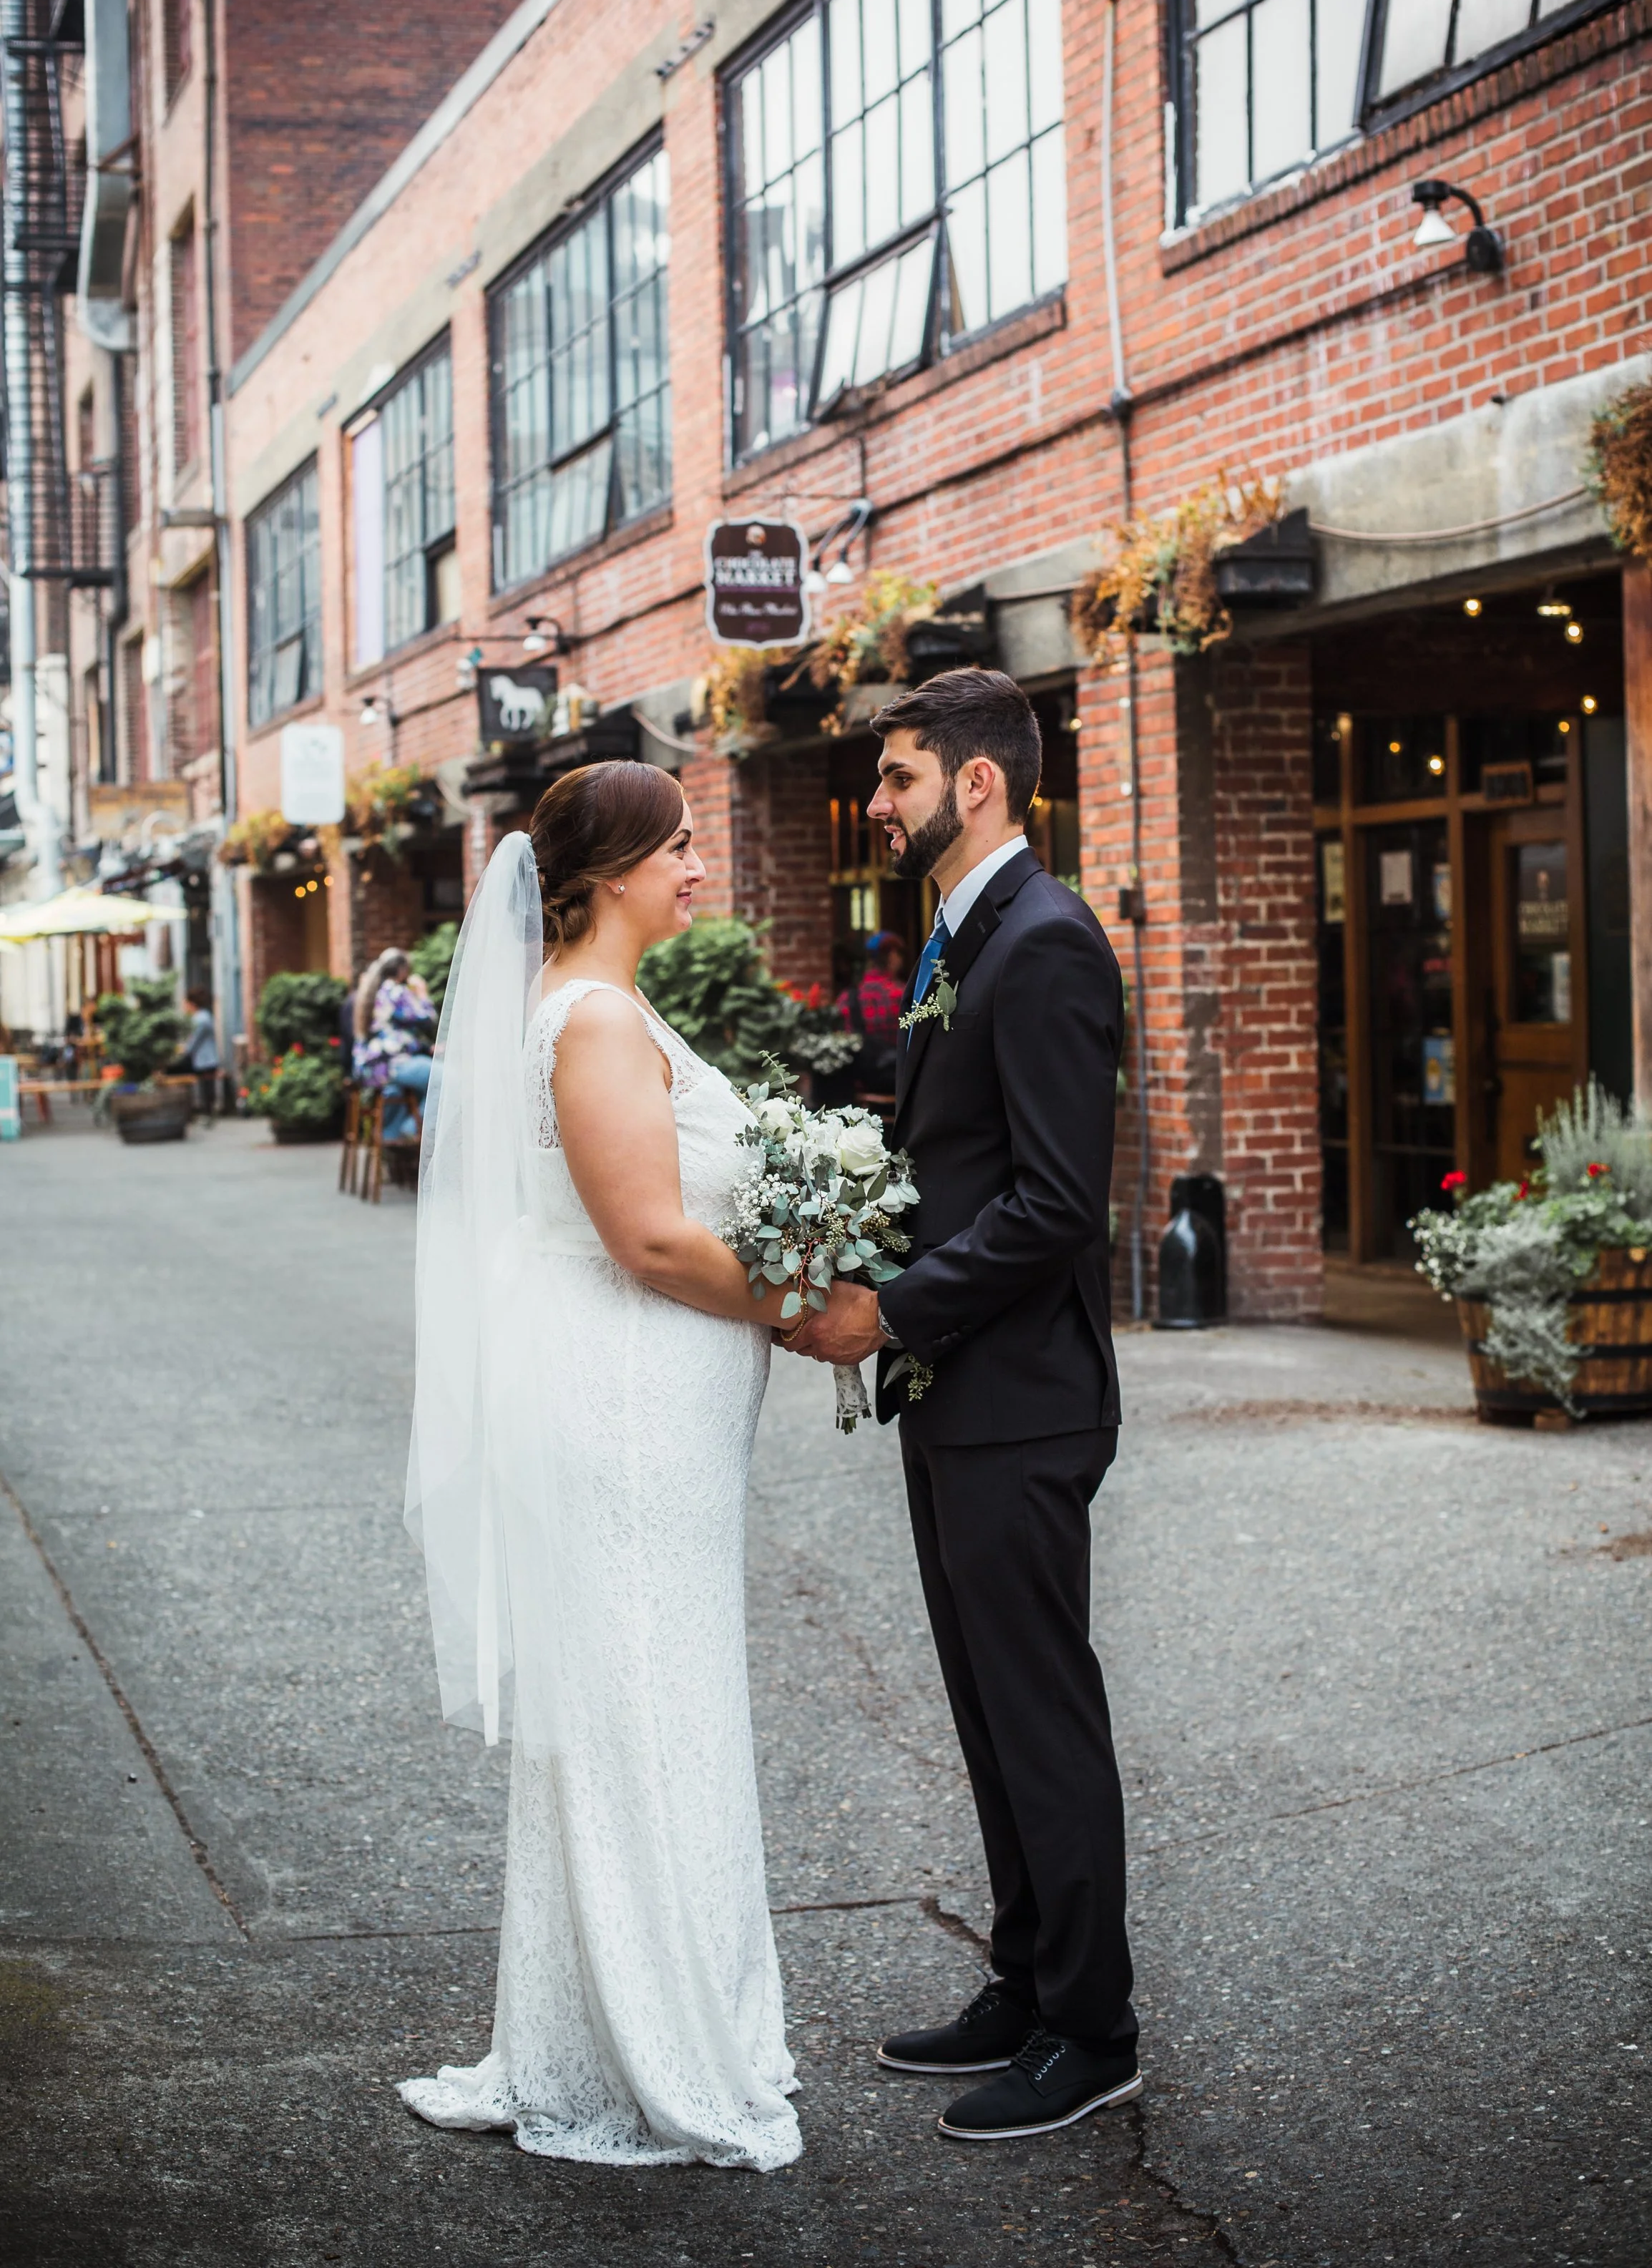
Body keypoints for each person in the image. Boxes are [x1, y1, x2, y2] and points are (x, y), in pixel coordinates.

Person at [398, 761, 803, 2170]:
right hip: (625, 1401)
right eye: (679, 844)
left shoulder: (607, 1008)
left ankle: (625, 2022)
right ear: (616, 868)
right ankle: (655, 2044)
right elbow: (645, 1236)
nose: (700, 863)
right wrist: (809, 1312)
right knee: (645, 1701)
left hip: (654, 1399)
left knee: (652, 1698)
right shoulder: (589, 1021)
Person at [793, 668, 1137, 2144]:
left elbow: (1057, 1204)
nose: (873, 802)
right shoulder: (954, 932)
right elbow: (958, 1156)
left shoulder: (1046, 943)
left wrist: (890, 1305)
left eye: (895, 776)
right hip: (956, 1396)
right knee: (987, 1716)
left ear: (975, 782)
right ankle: (1022, 1978)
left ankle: (1092, 2025)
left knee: (1039, 1716)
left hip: (1023, 1400)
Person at [353, 948, 436, 1141]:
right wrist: (423, 993)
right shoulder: (395, 991)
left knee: (400, 1092)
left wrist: (424, 1048)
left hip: (374, 1068)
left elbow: (394, 1034)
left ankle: (390, 1140)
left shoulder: (377, 991)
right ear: (401, 970)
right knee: (448, 1080)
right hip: (391, 1065)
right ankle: (411, 1129)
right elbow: (427, 1019)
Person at [833, 931, 906, 1098]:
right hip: (901, 1084)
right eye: (899, 954)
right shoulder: (902, 995)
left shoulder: (847, 998)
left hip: (862, 1088)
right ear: (892, 956)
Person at [177, 987, 220, 1119]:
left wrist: (183, 1050)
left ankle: (207, 1113)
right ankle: (207, 1112)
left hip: (206, 1058)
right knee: (205, 1086)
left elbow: (193, 1041)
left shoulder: (200, 1020)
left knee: (206, 1086)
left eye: (186, 1003)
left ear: (192, 1004)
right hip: (204, 1058)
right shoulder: (202, 1017)